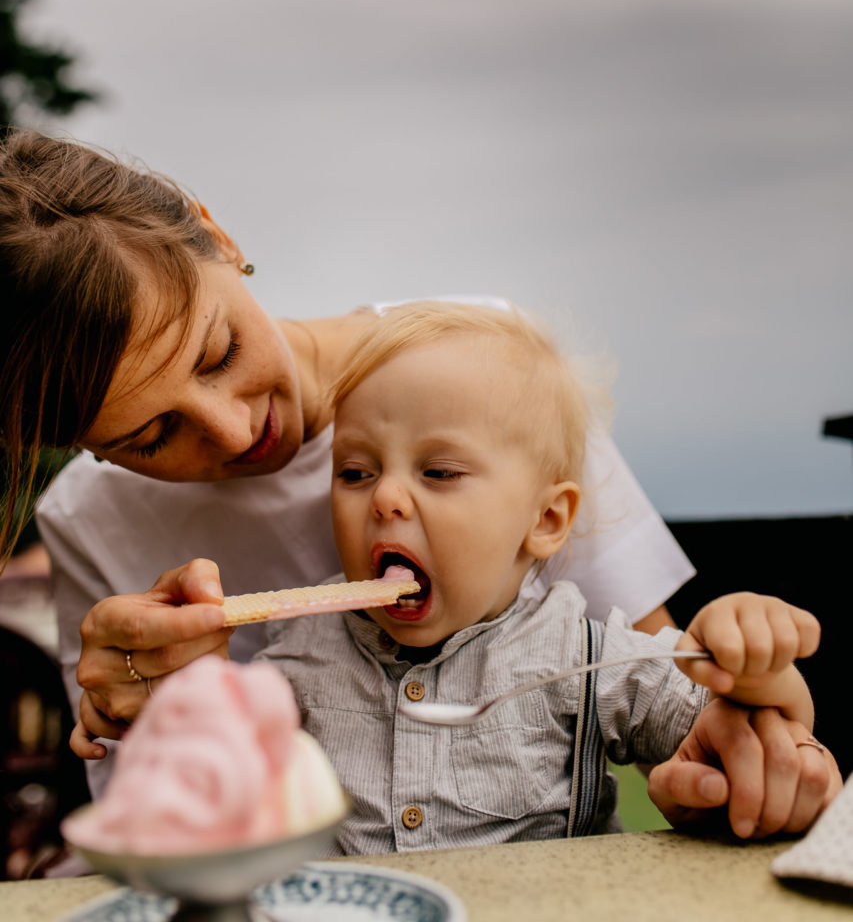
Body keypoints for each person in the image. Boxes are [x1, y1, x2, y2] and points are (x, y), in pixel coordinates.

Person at [0, 128, 836, 835]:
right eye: (148, 437)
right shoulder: (92, 517)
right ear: (75, 447)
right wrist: (140, 717)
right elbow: (153, 827)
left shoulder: (481, 368)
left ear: (218, 237)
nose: (233, 430)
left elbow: (677, 692)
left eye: (218, 353)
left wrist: (731, 762)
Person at [255, 301, 831, 852]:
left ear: (546, 519)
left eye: (439, 471)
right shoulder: (295, 659)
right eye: (355, 473)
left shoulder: (584, 657)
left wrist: (752, 669)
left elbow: (733, 730)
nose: (385, 497)